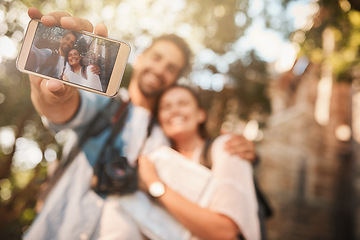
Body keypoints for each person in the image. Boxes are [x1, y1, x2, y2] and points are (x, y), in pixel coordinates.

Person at [24, 7, 258, 240]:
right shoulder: (103, 101)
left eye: (171, 68)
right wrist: (50, 94)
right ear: (141, 57)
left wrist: (245, 152)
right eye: (157, 58)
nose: (159, 70)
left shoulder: (169, 138)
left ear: (175, 80)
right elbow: (64, 108)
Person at [138, 85, 260, 240]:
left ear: (201, 115)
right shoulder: (157, 161)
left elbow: (225, 231)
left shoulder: (226, 148)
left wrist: (155, 185)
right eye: (166, 107)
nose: (174, 110)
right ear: (160, 120)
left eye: (183, 103)